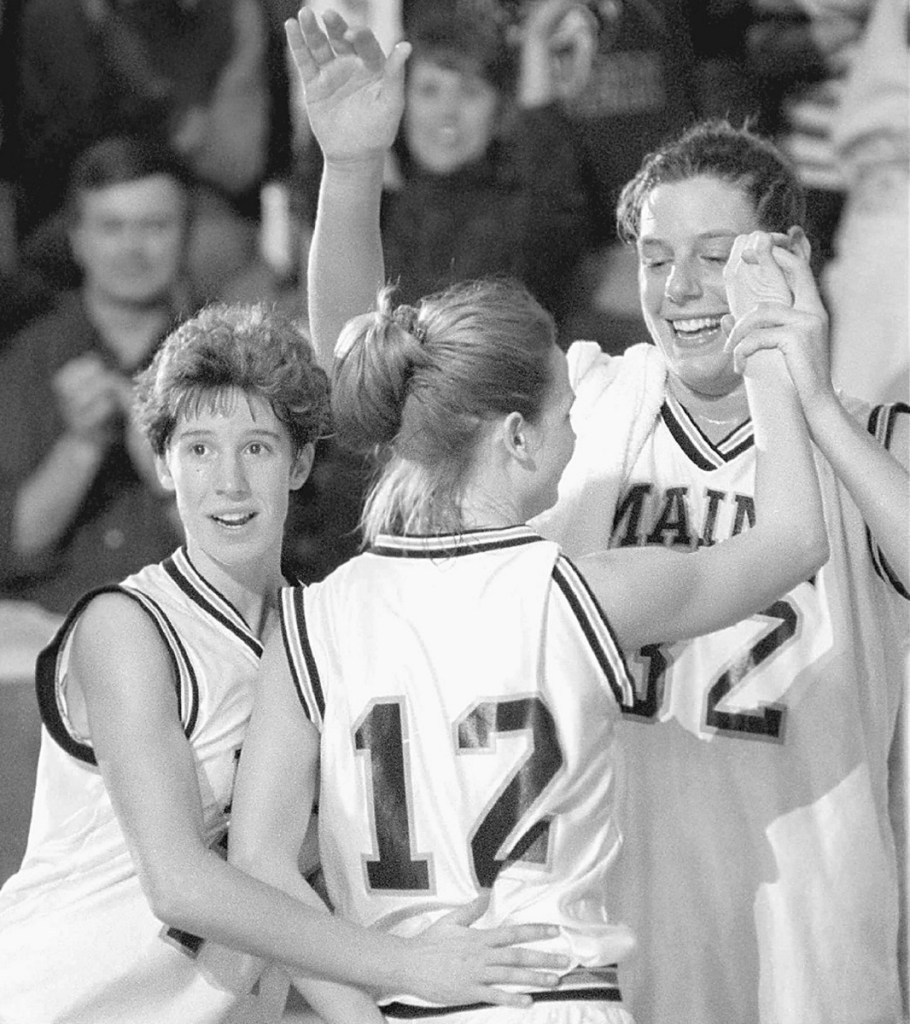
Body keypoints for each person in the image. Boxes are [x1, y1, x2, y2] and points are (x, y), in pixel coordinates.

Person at [223, 12, 826, 1022]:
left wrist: (351, 169)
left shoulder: (317, 617)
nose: (576, 411)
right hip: (562, 994)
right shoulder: (581, 589)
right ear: (513, 435)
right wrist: (771, 343)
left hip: (403, 995)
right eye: (560, 406)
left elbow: (256, 868)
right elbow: (794, 541)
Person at [0, 299, 572, 1024]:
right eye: (199, 448)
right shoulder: (128, 628)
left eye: (258, 448)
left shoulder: (325, 631)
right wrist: (410, 966)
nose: (229, 484)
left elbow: (285, 904)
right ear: (164, 463)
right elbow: (178, 884)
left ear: (299, 462)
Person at [541, 119, 907, 1021]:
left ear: (789, 258)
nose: (683, 288)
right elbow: (375, 373)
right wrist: (352, 169)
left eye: (716, 254)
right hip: (618, 932)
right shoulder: (586, 404)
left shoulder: (872, 439)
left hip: (807, 939)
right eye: (658, 258)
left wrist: (811, 397)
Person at [294, 0, 594, 333]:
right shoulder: (377, 212)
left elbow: (545, 154)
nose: (447, 112)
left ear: (499, 113)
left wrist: (538, 38)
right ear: (401, 102)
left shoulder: (527, 211)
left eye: (470, 92)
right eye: (429, 90)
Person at [0, 136, 191, 615]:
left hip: (184, 625)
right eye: (112, 227)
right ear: (76, 239)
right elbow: (14, 548)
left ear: (186, 233)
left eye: (154, 226)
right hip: (48, 624)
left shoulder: (227, 363)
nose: (132, 248)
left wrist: (168, 471)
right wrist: (81, 444)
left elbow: (259, 559)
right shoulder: (26, 361)